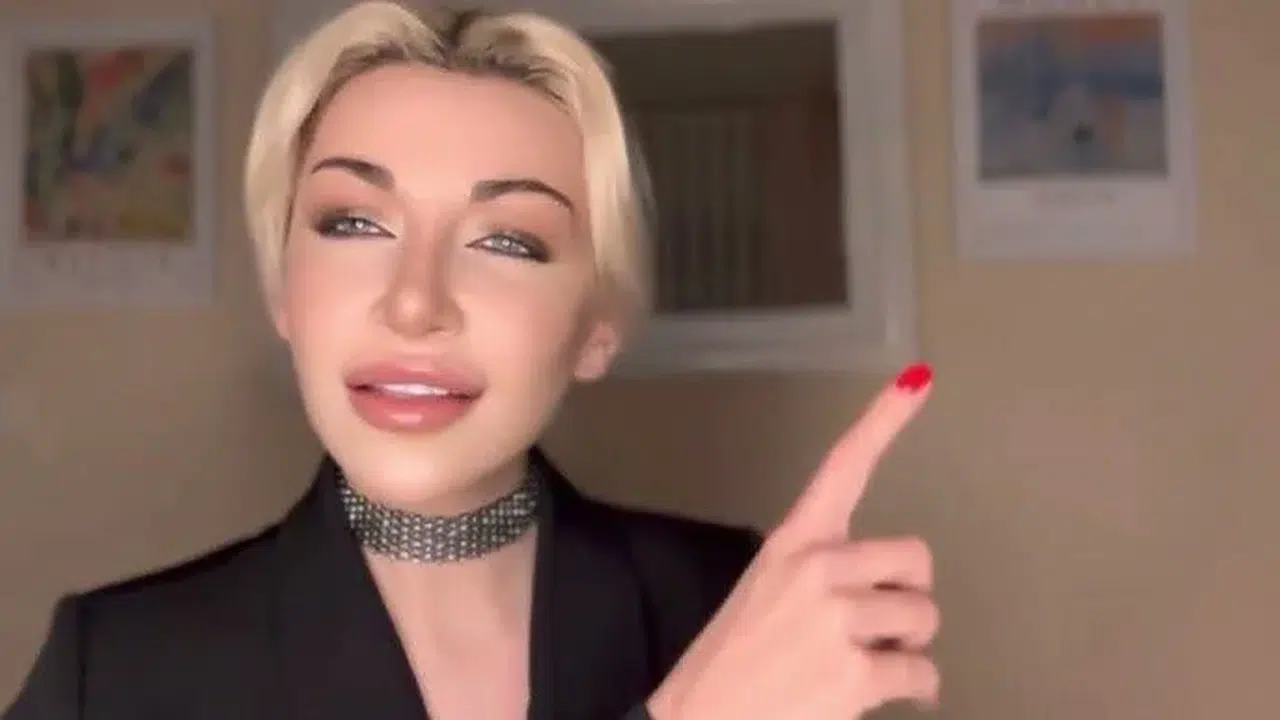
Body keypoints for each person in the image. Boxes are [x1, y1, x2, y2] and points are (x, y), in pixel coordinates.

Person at [3, 2, 940, 718]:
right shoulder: (113, 669)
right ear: (286, 291)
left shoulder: (738, 608)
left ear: (596, 328)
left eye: (507, 241)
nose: (415, 302)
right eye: (353, 223)